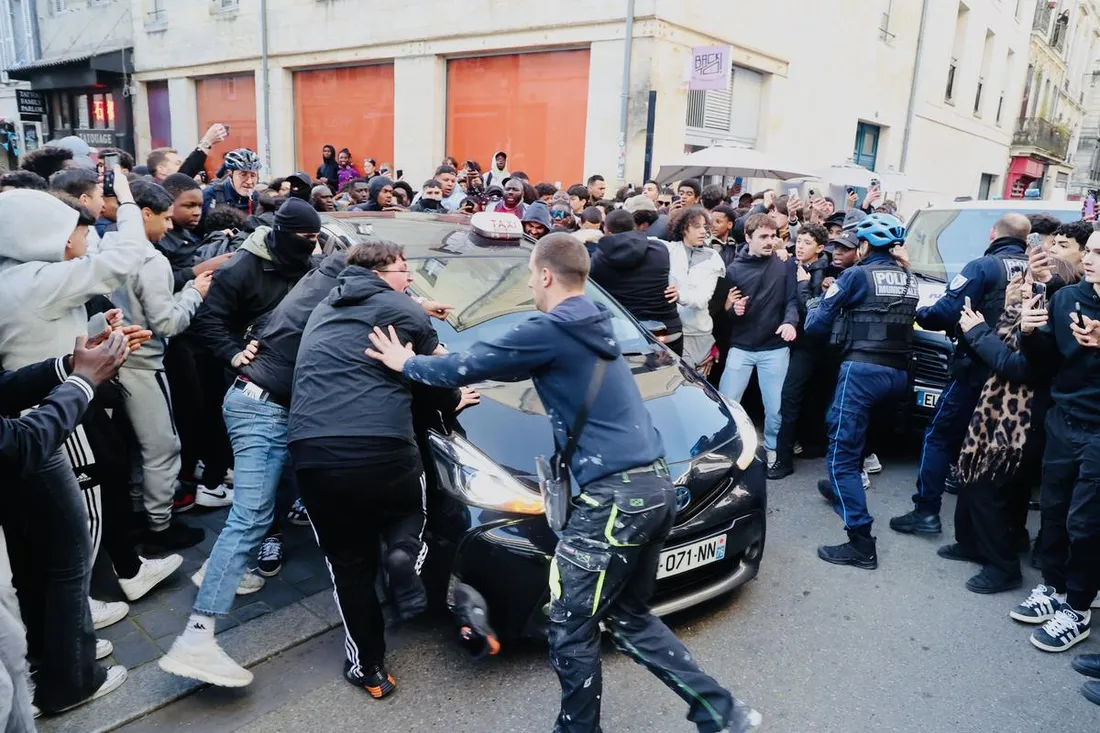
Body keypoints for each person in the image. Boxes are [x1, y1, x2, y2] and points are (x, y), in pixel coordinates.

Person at [366, 232, 761, 733]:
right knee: (627, 618)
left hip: (615, 501)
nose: (531, 284)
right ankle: (721, 712)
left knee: (570, 623)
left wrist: (406, 362)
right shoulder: (597, 322)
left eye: (531, 276)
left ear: (547, 275)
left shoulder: (550, 329)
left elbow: (466, 366)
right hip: (654, 490)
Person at [0, 175, 146, 711]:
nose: (84, 238)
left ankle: (59, 654)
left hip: (29, 412)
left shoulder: (15, 277)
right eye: (77, 229)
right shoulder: (35, 279)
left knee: (42, 561)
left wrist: (76, 357)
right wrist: (83, 380)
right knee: (66, 559)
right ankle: (69, 680)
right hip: (39, 431)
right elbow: (128, 254)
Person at [287, 241, 449, 699]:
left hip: (313, 453)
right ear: (381, 274)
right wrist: (456, 397)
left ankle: (369, 669)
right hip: (382, 447)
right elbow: (432, 372)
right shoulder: (405, 310)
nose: (410, 278)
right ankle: (402, 556)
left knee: (347, 567)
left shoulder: (322, 308)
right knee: (411, 513)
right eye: (403, 269)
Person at [890, 213, 1031, 536]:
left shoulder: (983, 267)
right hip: (1013, 378)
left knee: (939, 436)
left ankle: (926, 511)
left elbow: (946, 312)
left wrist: (920, 314)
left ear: (993, 233)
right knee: (990, 446)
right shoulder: (1034, 269)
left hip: (975, 370)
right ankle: (996, 529)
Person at [804, 214, 916, 569]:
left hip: (862, 370)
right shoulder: (907, 277)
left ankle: (861, 542)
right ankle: (839, 487)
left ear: (864, 246)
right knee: (859, 443)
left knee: (841, 455)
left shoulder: (855, 274)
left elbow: (815, 326)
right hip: (898, 375)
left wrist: (816, 305)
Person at [1008, 231, 1100, 658]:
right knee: (1055, 509)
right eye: (1094, 251)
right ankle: (1053, 586)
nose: (1094, 259)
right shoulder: (1066, 299)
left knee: (1087, 523)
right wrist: (1029, 332)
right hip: (1064, 421)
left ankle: (1078, 608)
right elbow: (1044, 362)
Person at [114, 179, 214, 551]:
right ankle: (159, 526)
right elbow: (168, 323)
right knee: (162, 447)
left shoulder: (110, 247)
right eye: (165, 219)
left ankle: (141, 512)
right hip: (143, 364)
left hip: (115, 362)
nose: (170, 227)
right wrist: (193, 293)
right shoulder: (150, 258)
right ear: (144, 214)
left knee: (137, 449)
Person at [718, 213, 798, 468]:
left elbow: (792, 301)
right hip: (741, 346)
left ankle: (773, 449)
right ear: (748, 237)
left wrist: (789, 322)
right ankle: (728, 451)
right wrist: (734, 310)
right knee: (728, 403)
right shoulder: (733, 269)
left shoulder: (785, 263)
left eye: (773, 236)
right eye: (763, 236)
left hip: (774, 348)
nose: (769, 241)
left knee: (774, 408)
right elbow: (726, 312)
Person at [770, 222, 832, 478]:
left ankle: (784, 459)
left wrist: (805, 283)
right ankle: (811, 445)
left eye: (807, 243)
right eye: (799, 242)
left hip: (812, 344)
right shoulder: (799, 266)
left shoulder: (821, 274)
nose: (800, 247)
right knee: (806, 396)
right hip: (800, 343)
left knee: (792, 395)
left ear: (819, 247)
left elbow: (813, 312)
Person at [591, 209, 682, 354]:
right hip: (667, 329)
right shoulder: (660, 250)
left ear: (606, 229)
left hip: (625, 334)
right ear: (634, 226)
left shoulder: (598, 260)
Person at [666, 207, 725, 373]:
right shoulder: (670, 250)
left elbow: (702, 299)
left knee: (697, 389)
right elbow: (639, 241)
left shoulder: (713, 258)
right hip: (672, 332)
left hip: (699, 335)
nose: (702, 231)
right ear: (684, 228)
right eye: (697, 226)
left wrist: (678, 295)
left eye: (705, 227)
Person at [200, 148, 261, 231]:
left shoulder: (258, 199)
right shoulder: (210, 194)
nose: (249, 181)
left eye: (253, 175)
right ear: (230, 174)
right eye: (243, 174)